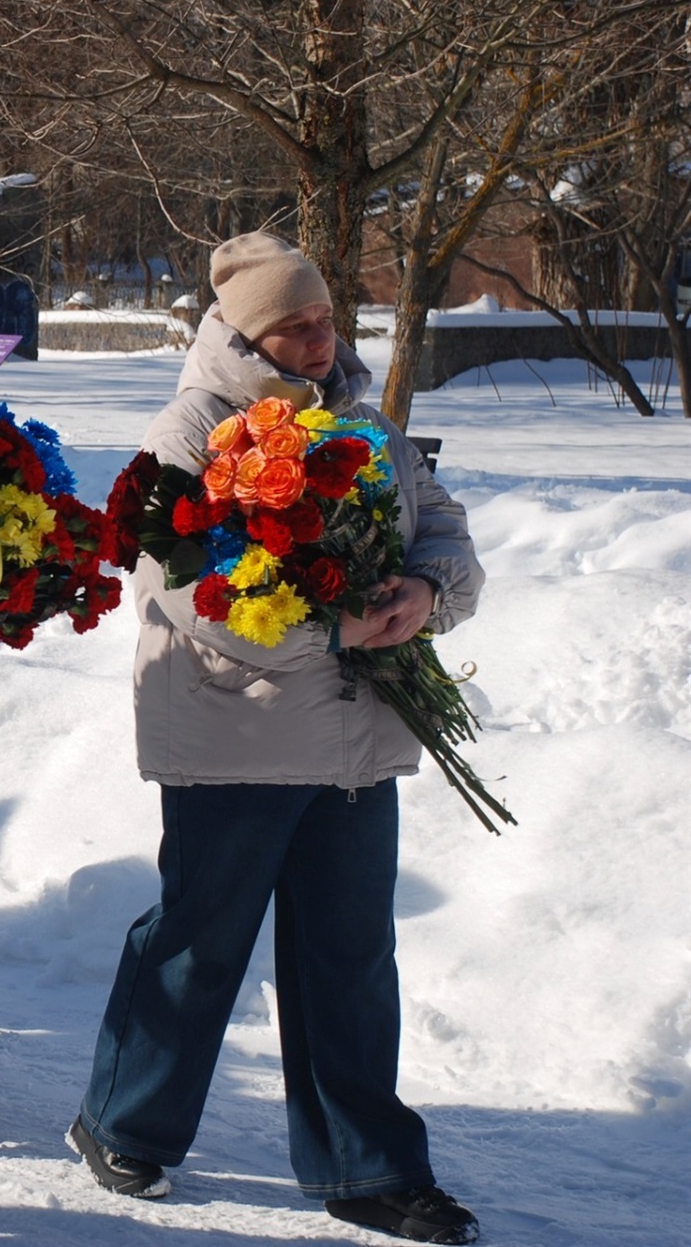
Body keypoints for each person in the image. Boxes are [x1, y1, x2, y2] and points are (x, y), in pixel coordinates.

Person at [67, 233, 486, 1245]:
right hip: (234, 733)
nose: (316, 339)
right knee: (198, 943)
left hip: (355, 735)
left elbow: (438, 524)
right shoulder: (193, 429)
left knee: (349, 954)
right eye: (293, 326)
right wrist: (331, 632)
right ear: (247, 333)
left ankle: (367, 1167)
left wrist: (424, 593)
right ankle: (124, 1122)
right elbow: (183, 593)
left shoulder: (360, 419)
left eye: (324, 319)